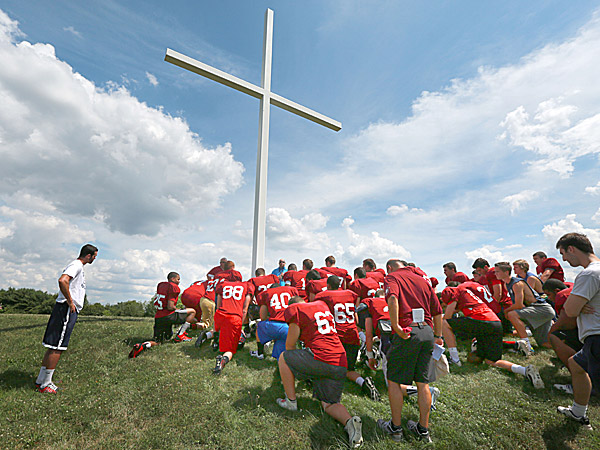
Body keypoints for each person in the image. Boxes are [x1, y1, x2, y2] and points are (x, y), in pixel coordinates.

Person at [277, 296, 363, 448]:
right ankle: (350, 422)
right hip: (340, 360)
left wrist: (300, 368)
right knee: (329, 404)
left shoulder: (296, 310)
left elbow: (290, 347)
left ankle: (290, 402)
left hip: (322, 358)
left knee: (284, 357)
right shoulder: (321, 305)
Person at [377, 259, 443, 443]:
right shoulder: (422, 279)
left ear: (389, 268)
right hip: (427, 331)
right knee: (423, 383)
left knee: (394, 381)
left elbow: (392, 298)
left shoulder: (392, 277)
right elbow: (437, 310)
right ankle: (423, 430)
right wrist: (438, 335)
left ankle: (395, 428)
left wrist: (396, 326)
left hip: (408, 331)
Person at [440, 284, 544, 389]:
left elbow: (448, 317)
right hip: (495, 322)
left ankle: (455, 359)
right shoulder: (466, 294)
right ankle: (525, 370)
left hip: (482, 321)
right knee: (492, 361)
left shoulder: (452, 292)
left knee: (445, 323)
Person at [36, 244, 98, 393]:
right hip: (66, 309)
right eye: (95, 256)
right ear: (88, 256)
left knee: (53, 346)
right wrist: (70, 302)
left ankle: (41, 379)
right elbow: (63, 280)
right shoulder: (76, 265)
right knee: (58, 347)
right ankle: (46, 384)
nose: (95, 259)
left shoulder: (78, 266)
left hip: (64, 308)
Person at [555, 233, 600, 428]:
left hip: (597, 337)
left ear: (571, 248)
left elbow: (570, 310)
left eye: (563, 253)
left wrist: (577, 305)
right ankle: (578, 412)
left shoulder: (589, 274)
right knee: (576, 364)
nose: (564, 259)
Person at [315, 276, 380, 401]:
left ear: (328, 286)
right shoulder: (350, 294)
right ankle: (363, 382)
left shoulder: (323, 295)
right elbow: (355, 319)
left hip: (336, 337)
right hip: (352, 335)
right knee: (349, 369)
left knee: (327, 366)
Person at [495, 262, 555, 352]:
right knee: (545, 344)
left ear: (506, 272)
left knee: (512, 314)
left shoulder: (517, 283)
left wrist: (506, 312)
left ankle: (526, 345)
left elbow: (519, 305)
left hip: (541, 308)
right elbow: (520, 305)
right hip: (534, 309)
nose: (495, 274)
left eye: (497, 271)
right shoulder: (506, 284)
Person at [212, 272, 254, 374]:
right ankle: (223, 360)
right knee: (230, 350)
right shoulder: (246, 286)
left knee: (220, 331)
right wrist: (240, 325)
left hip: (220, 314)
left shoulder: (222, 285)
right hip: (233, 317)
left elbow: (218, 305)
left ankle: (214, 340)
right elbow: (244, 310)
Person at [251, 283, 299, 360]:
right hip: (291, 328)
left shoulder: (266, 293)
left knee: (260, 325)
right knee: (281, 356)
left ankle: (260, 353)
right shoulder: (291, 290)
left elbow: (262, 317)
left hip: (275, 326)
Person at [153, 272, 197, 343]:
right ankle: (181, 335)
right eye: (178, 279)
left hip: (158, 317)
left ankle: (145, 345)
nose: (179, 282)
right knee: (192, 311)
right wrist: (177, 309)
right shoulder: (173, 287)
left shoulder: (161, 285)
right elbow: (170, 307)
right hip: (168, 316)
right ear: (173, 279)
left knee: (159, 341)